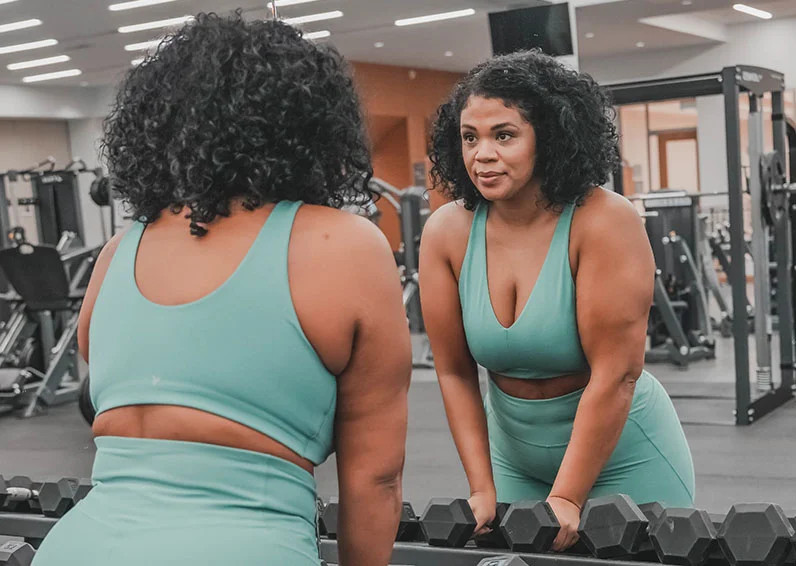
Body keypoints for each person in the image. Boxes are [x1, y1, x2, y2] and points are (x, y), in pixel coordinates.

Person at [32, 13, 411, 566]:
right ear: (309, 125)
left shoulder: (118, 252)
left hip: (78, 547)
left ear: (159, 127)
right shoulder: (346, 245)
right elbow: (376, 477)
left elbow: (110, 395)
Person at [420, 50, 695, 552]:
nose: (481, 153)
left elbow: (617, 374)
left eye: (503, 135)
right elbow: (454, 371)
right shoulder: (448, 232)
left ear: (548, 136)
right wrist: (482, 486)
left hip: (624, 454)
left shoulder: (603, 220)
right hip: (514, 459)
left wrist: (568, 495)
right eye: (469, 137)